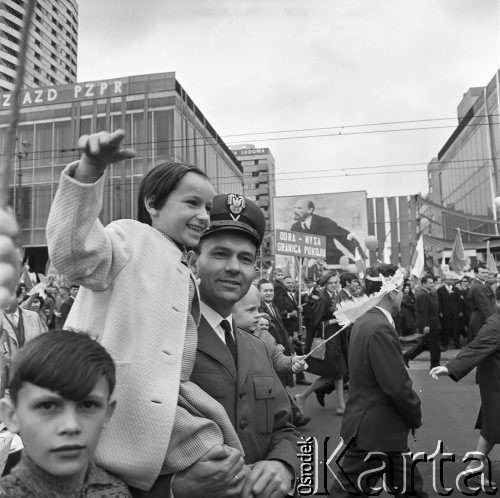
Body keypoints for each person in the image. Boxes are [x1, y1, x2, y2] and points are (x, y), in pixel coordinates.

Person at [45, 129, 243, 492]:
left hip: (161, 410)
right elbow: (73, 256)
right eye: (191, 203)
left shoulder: (184, 265)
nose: (203, 216)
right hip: (116, 406)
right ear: (153, 204)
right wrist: (89, 170)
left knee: (223, 459)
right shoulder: (130, 236)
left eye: (207, 207)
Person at [175, 193, 299, 498]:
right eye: (220, 254)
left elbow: (285, 427)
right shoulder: (169, 341)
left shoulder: (257, 347)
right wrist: (175, 488)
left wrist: (283, 464)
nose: (234, 267)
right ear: (193, 262)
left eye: (245, 259)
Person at [329, 264, 426, 497]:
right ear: (391, 292)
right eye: (401, 289)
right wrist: (415, 414)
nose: (403, 294)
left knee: (410, 489)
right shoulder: (378, 326)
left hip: (374, 427)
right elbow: (397, 385)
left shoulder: (365, 320)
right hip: (375, 429)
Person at [0, 330, 131, 497]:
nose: (71, 426)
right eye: (47, 406)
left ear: (107, 413)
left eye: (88, 405)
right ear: (11, 415)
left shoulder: (116, 492)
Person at [430, 288, 500, 491]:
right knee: (492, 427)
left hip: (495, 386)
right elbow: (475, 348)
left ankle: (474, 466)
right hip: (497, 386)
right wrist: (449, 367)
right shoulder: (496, 324)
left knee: (491, 428)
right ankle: (474, 466)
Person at [233, 285, 310, 428]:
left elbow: (276, 358)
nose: (257, 314)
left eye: (258, 309)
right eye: (250, 310)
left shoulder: (264, 335)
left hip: (262, 404)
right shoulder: (228, 338)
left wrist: (292, 362)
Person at [295, 272, 346, 416]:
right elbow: (317, 323)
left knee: (339, 373)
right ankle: (302, 396)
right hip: (328, 341)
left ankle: (341, 406)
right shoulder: (323, 299)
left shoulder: (332, 296)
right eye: (331, 283)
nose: (334, 285)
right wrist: (338, 319)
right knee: (332, 374)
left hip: (335, 339)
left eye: (336, 282)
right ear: (325, 284)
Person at [290, 198, 366, 265]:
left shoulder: (324, 222)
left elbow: (346, 238)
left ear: (310, 210)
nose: (295, 211)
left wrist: (360, 257)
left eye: (299, 208)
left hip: (334, 262)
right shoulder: (295, 227)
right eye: (295, 208)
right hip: (309, 267)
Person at [403, 274, 441, 368]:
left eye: (433, 282)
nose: (432, 284)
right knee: (435, 346)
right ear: (423, 284)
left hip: (433, 323)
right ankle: (435, 365)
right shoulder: (422, 294)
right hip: (429, 325)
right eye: (430, 283)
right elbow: (423, 312)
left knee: (424, 344)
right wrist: (425, 325)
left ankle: (407, 356)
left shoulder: (428, 293)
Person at [468, 264, 496, 341]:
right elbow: (485, 307)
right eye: (483, 273)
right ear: (476, 274)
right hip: (481, 321)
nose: (485, 275)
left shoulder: (484, 284)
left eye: (486, 273)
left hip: (484, 320)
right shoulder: (477, 287)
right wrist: (494, 322)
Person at [437, 276, 461, 350]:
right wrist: (440, 311)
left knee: (456, 328)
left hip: (454, 311)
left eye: (450, 279)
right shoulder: (440, 290)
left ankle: (457, 344)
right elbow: (439, 302)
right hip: (445, 311)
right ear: (444, 280)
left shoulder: (456, 289)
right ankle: (445, 344)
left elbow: (459, 301)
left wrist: (460, 311)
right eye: (447, 279)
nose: (449, 281)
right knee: (445, 328)